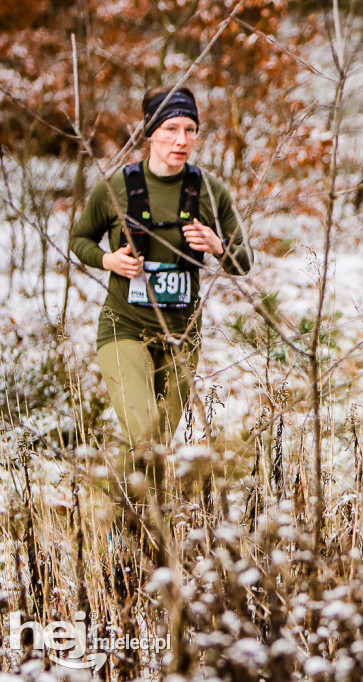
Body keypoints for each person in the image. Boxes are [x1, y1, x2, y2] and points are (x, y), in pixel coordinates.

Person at [70, 85, 253, 492]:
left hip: (181, 336)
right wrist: (109, 260)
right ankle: (115, 525)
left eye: (190, 130)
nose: (181, 140)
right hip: (124, 327)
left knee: (155, 446)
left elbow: (243, 261)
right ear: (150, 132)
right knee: (144, 429)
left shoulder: (210, 191)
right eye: (171, 129)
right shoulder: (116, 187)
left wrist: (217, 246)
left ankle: (145, 534)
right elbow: (79, 239)